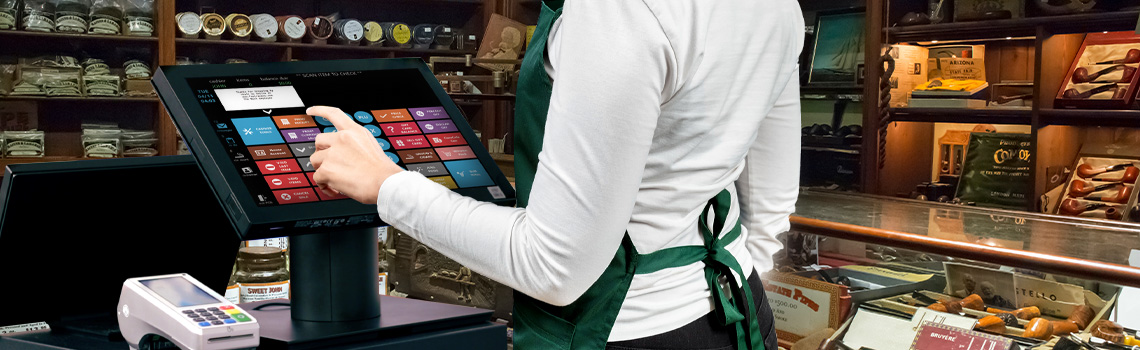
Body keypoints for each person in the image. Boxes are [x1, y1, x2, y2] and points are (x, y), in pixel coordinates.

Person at [308, 1, 804, 349]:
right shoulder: (780, 7)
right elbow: (771, 203)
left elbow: (555, 267)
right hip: (737, 313)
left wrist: (385, 185)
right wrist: (711, 288)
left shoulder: (618, 10)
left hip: (614, 331)